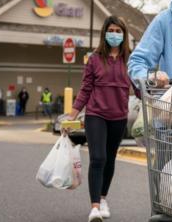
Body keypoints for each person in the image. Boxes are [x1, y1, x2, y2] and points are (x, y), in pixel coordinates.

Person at [63, 16, 133, 222]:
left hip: (119, 116)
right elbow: (85, 88)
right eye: (111, 30)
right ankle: (94, 207)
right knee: (98, 158)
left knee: (110, 158)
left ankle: (103, 199)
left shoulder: (131, 58)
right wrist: (72, 115)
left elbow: (138, 87)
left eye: (119, 31)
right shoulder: (94, 58)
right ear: (105, 33)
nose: (115, 34)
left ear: (124, 35)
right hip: (96, 115)